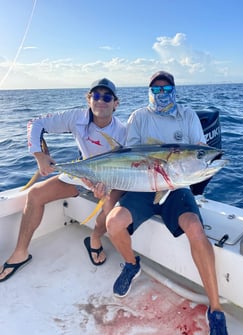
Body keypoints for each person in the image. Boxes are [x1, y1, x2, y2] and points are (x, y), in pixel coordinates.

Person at [105, 71, 228, 335]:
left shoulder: (187, 115)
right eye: (156, 90)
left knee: (195, 228)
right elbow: (130, 156)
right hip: (144, 186)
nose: (162, 94)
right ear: (149, 92)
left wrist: (189, 159)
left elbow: (198, 149)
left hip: (176, 186)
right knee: (113, 222)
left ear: (174, 90)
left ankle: (216, 309)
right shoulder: (138, 117)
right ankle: (131, 264)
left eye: (166, 89)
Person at [0, 78, 126, 282]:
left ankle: (94, 239)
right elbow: (36, 122)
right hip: (82, 173)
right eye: (96, 95)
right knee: (35, 194)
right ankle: (20, 253)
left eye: (107, 96)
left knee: (109, 205)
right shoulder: (76, 117)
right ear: (89, 99)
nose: (100, 100)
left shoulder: (123, 131)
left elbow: (127, 168)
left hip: (112, 179)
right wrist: (39, 155)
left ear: (115, 103)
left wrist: (107, 185)